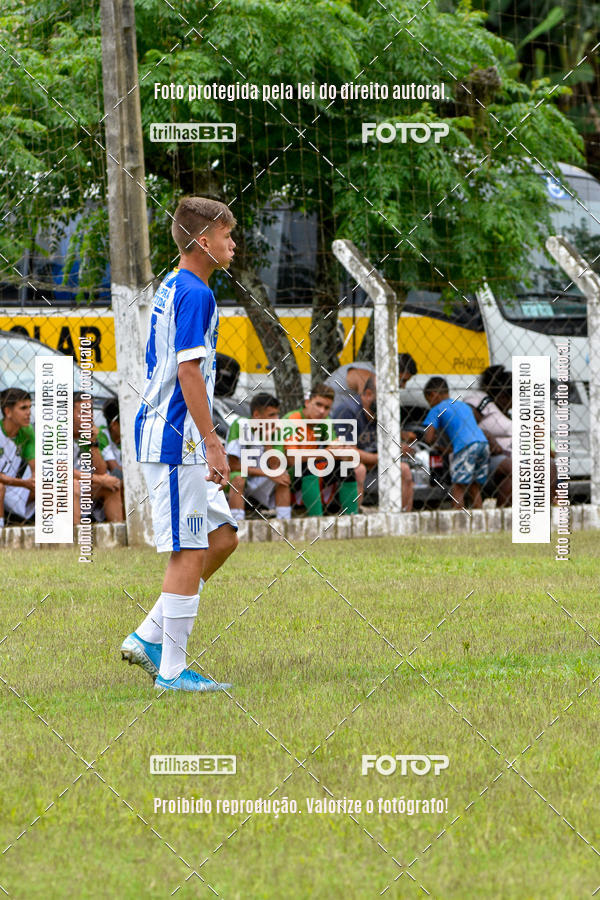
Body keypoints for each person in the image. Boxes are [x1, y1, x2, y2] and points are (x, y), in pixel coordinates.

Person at [121, 196, 238, 693]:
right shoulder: (196, 293)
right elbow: (188, 370)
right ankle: (170, 672)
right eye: (227, 235)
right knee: (188, 548)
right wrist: (211, 440)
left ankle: (149, 636)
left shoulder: (176, 284)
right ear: (202, 241)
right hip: (176, 439)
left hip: (177, 436)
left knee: (223, 536)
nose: (234, 244)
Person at [332, 376, 414, 511]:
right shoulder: (348, 410)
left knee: (404, 469)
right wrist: (382, 458)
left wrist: (398, 448)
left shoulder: (384, 411)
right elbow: (347, 451)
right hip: (349, 468)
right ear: (369, 394)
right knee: (359, 470)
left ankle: (403, 518)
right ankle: (353, 518)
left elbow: (387, 442)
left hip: (377, 466)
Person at [283, 383, 359, 516]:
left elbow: (338, 449)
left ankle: (352, 517)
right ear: (307, 403)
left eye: (326, 408)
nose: (322, 411)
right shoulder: (293, 419)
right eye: (318, 405)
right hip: (288, 473)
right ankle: (317, 520)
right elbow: (292, 458)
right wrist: (327, 452)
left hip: (313, 466)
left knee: (345, 467)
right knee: (308, 466)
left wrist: (339, 451)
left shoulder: (325, 421)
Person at [423, 376, 489, 510]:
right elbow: (465, 432)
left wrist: (431, 438)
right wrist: (445, 449)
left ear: (433, 395)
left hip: (467, 447)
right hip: (483, 444)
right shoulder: (462, 405)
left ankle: (457, 518)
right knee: (474, 485)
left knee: (458, 484)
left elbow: (428, 438)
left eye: (428, 400)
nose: (429, 404)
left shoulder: (437, 409)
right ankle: (480, 516)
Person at [226, 392, 292, 520]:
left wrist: (268, 442)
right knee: (238, 479)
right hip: (238, 475)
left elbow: (276, 467)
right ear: (256, 415)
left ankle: (284, 523)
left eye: (277, 414)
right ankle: (237, 524)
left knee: (283, 477)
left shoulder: (275, 430)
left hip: (260, 477)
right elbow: (233, 466)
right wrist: (268, 473)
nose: (276, 419)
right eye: (271, 415)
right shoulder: (239, 425)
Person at [72, 392, 124, 524]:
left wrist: (93, 443)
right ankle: (74, 539)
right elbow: (61, 471)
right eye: (83, 412)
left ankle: (116, 535)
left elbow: (100, 470)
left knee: (112, 486)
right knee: (73, 486)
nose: (89, 416)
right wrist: (100, 479)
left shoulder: (92, 434)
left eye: (90, 411)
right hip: (58, 485)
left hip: (84, 482)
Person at [467, 366, 513, 506]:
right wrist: (488, 437)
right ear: (503, 396)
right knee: (515, 468)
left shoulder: (509, 411)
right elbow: (465, 425)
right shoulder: (481, 403)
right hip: (486, 459)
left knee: (549, 467)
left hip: (512, 460)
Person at [0, 388, 35, 528]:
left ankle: (54, 533)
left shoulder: (27, 431)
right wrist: (24, 483)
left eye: (30, 407)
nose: (28, 413)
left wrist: (36, 480)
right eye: (23, 408)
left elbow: (35, 465)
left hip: (14, 485)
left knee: (52, 485)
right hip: (9, 484)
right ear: (7, 412)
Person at [325, 352, 417, 405]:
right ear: (392, 372)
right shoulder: (367, 375)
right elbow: (370, 409)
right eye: (402, 380)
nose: (403, 386)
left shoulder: (371, 370)